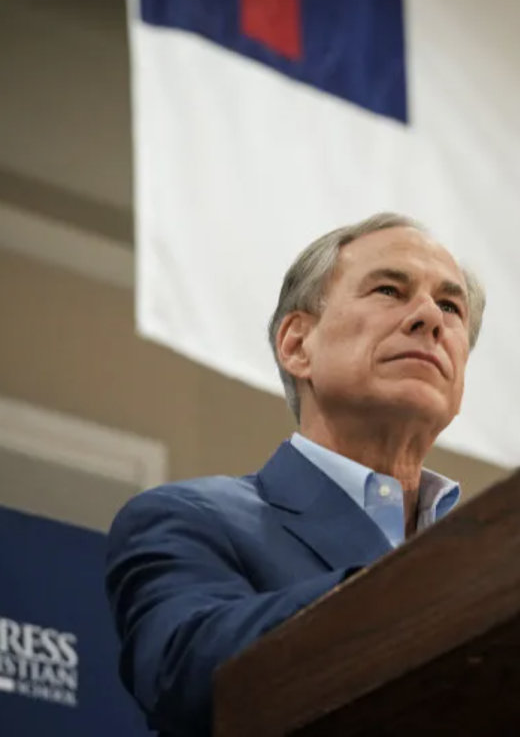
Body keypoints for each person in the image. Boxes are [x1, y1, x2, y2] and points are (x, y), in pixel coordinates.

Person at [104, 213, 485, 737]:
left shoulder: (486, 556)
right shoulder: (189, 519)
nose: (429, 317)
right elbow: (187, 677)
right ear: (297, 345)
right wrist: (407, 586)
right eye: (389, 290)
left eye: (450, 306)